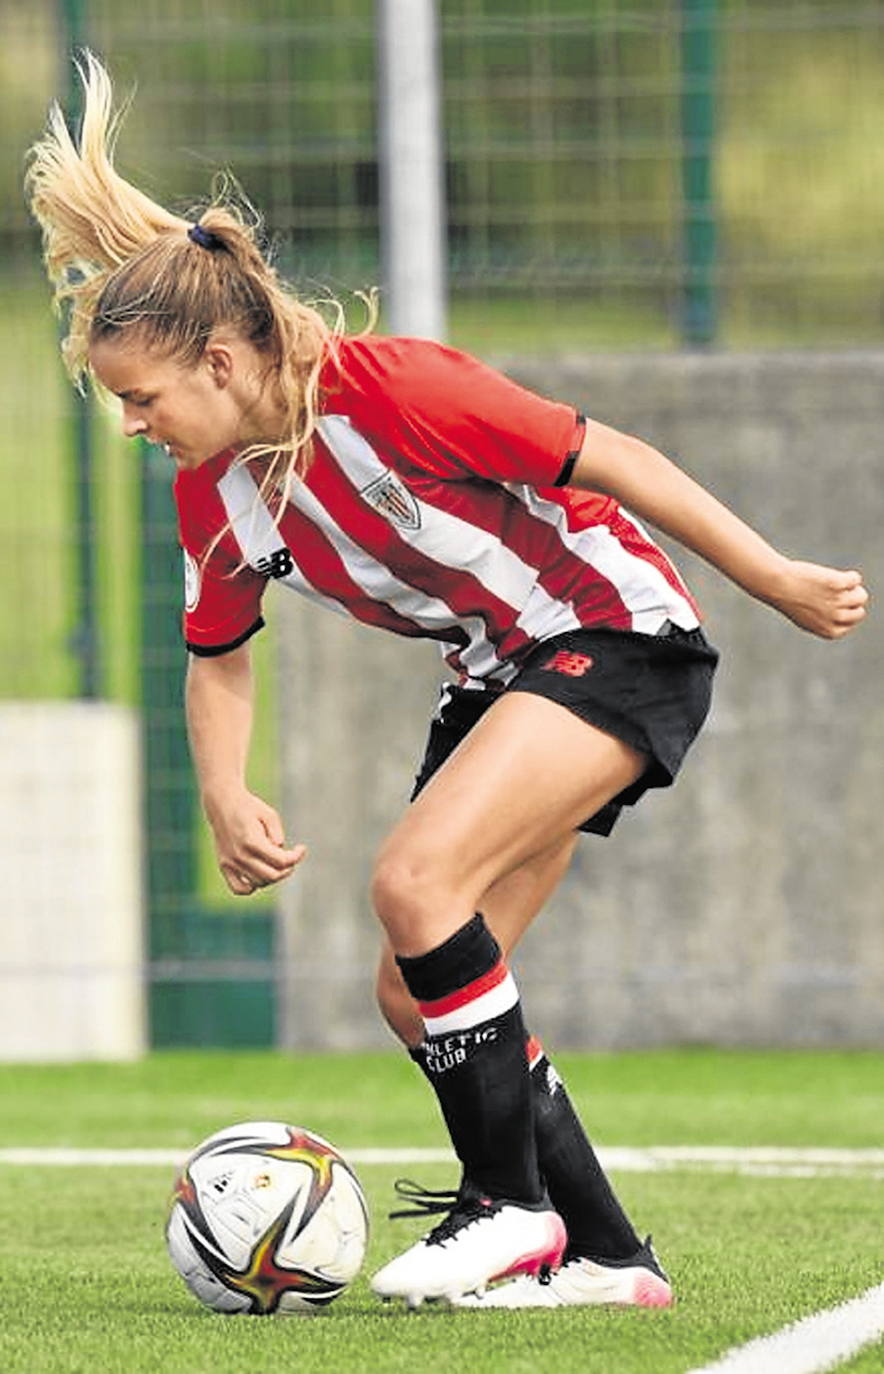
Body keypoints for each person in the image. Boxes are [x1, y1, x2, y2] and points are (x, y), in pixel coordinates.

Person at [26, 54, 868, 1312]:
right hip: (500, 667)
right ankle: (607, 1255)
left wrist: (772, 577)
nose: (136, 425)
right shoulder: (214, 497)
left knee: (413, 883)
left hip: (613, 628)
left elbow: (614, 457)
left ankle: (505, 1207)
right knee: (414, 984)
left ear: (217, 362)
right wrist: (222, 793)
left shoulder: (397, 388)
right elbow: (217, 657)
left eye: (143, 399)